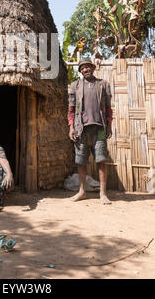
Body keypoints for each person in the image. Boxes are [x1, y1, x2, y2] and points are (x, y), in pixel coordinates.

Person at [68, 58, 113, 204]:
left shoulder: (103, 85)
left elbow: (108, 108)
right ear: (80, 71)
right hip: (81, 129)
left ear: (92, 68)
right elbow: (71, 110)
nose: (85, 70)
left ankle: (103, 193)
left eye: (87, 67)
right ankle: (82, 192)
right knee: (81, 161)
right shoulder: (75, 86)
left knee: (101, 160)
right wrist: (71, 127)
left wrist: (109, 125)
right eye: (82, 68)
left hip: (100, 128)